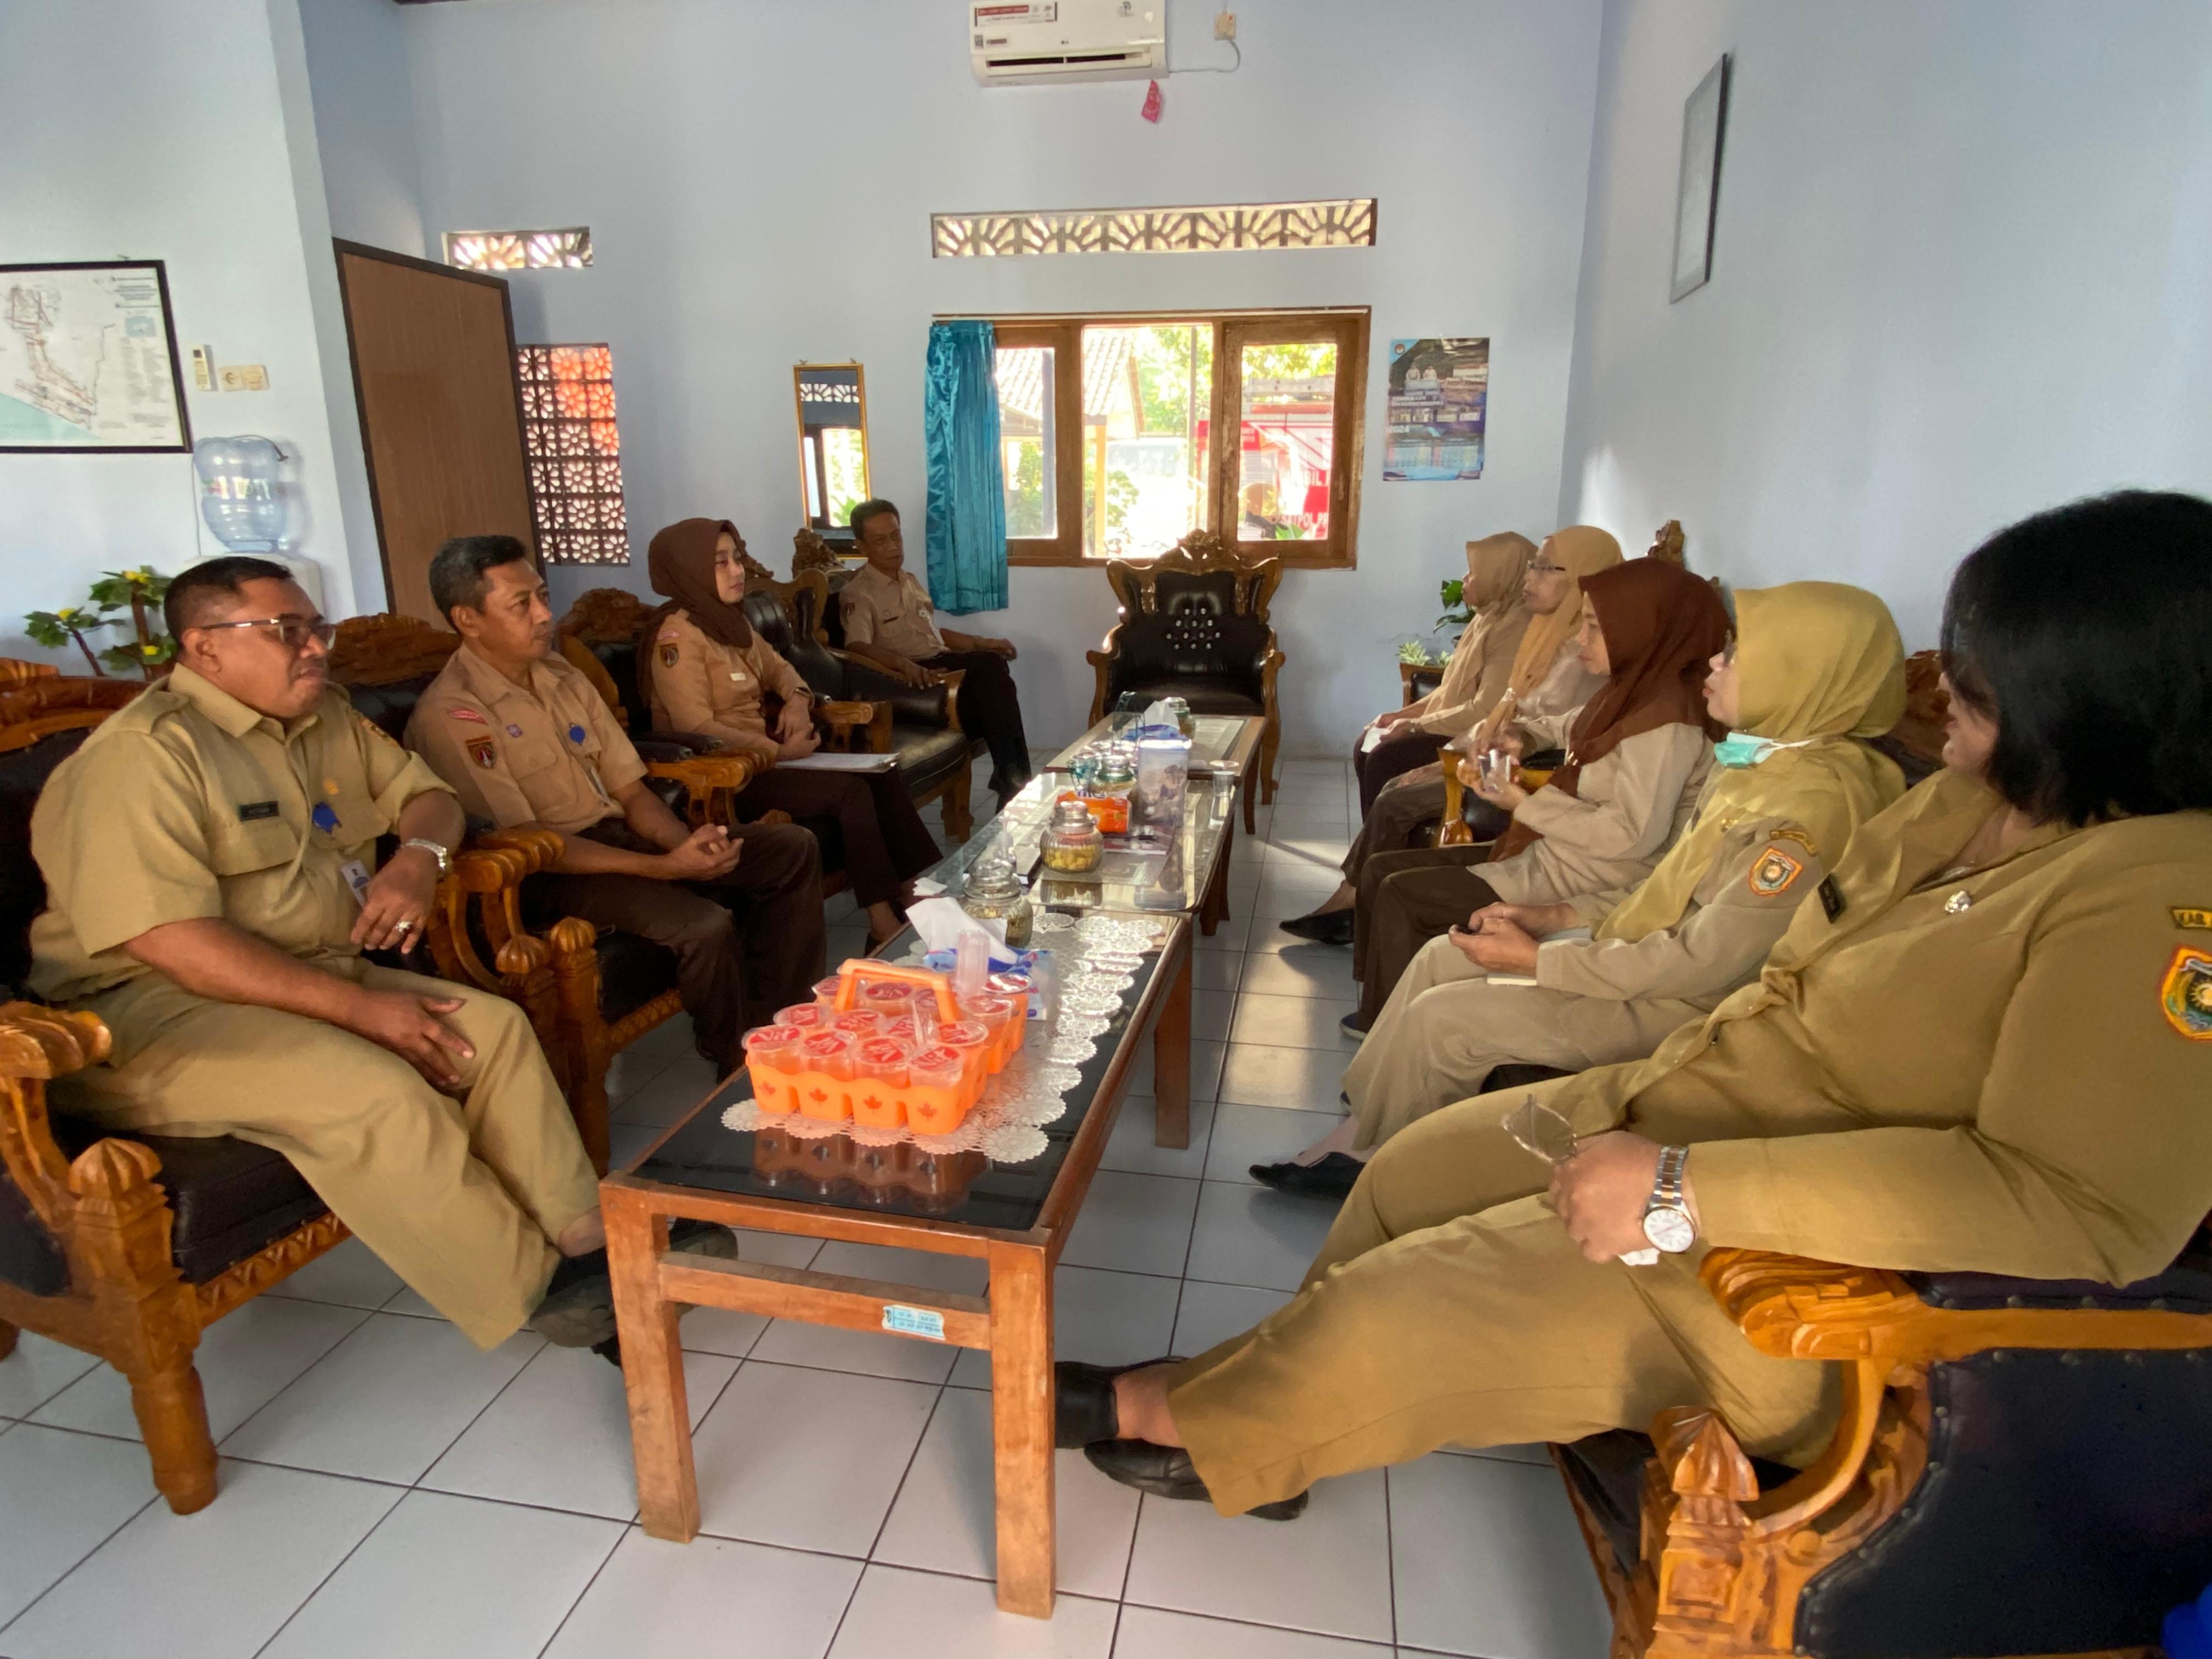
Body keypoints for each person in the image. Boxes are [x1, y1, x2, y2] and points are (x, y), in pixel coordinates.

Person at [1054, 489, 2212, 1521]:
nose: (1948, 689)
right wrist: (1609, 1034)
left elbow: (2083, 1210)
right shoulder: (1966, 806)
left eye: (1983, 671)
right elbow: (1743, 951)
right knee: (1411, 1174)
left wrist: (1679, 1189)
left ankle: (1207, 1414)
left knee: (1416, 1290)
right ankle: (1271, 1410)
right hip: (1694, 1097)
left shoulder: (2161, 903)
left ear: (2098, 692)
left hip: (1792, 1254)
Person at [24, 556, 728, 1358]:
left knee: (490, 1029)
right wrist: (362, 1010)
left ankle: (587, 1241)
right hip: (152, 1011)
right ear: (204, 647)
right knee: (374, 1090)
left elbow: (429, 798)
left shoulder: (322, 715)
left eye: (315, 628)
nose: (314, 648)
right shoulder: (142, 756)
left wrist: (416, 857)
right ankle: (545, 1292)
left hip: (315, 968)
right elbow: (173, 944)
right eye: (284, 632)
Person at [1256, 580, 1908, 1197]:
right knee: (1443, 953)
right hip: (1642, 944)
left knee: (1445, 1019)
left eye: (1737, 655)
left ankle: (1379, 1165)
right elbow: (1670, 883)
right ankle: (1365, 1131)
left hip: (1689, 1007)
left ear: (1800, 677)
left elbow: (1702, 962)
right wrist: (1556, 914)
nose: (1715, 663)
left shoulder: (1807, 811)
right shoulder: (1765, 763)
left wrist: (1541, 958)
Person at [406, 536, 825, 1074]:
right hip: (548, 872)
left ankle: (782, 1023)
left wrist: (686, 845)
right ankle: (736, 1066)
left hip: (617, 839)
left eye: (541, 595)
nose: (543, 615)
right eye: (521, 605)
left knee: (790, 849)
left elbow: (630, 792)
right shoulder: (454, 713)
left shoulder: (563, 677)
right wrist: (661, 868)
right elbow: (535, 844)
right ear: (467, 619)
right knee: (704, 926)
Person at [1348, 556, 1731, 1030]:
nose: (1580, 639)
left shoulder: (1667, 725)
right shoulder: (1635, 693)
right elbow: (1568, 724)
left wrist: (1524, 803)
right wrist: (1524, 738)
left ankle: (1389, 1024)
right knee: (1383, 868)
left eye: (1594, 626)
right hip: (1559, 854)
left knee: (1404, 894)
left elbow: (1630, 838)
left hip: (1593, 878)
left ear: (1644, 628)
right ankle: (1381, 1010)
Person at [1282, 527, 1620, 944]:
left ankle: (1356, 900)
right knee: (1386, 764)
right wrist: (1409, 719)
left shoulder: (1583, 654)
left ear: (1586, 576)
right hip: (1484, 752)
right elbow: (1494, 708)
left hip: (1510, 774)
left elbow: (1525, 723)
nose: (1531, 577)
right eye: (1532, 567)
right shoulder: (1543, 631)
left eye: (1545, 568)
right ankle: (1360, 897)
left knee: (1392, 781)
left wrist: (1435, 744)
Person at [638, 517, 939, 948]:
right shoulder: (679, 637)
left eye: (737, 559)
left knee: (881, 771)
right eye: (720, 563)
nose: (737, 571)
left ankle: (911, 891)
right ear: (688, 570)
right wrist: (777, 753)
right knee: (849, 793)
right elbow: (695, 726)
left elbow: (784, 671)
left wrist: (799, 702)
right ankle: (880, 923)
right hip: (730, 773)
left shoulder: (730, 622)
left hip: (771, 755)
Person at [838, 499, 1033, 806]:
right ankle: (1014, 782)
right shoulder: (858, 592)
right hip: (911, 684)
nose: (892, 546)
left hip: (941, 667)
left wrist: (983, 641)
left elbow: (935, 635)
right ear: (861, 544)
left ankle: (1012, 782)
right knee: (993, 680)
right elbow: (856, 647)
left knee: (994, 674)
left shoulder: (909, 581)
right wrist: (902, 666)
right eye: (881, 540)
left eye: (896, 536)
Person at [1351, 531, 1535, 812]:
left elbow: (1486, 710)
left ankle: (1386, 845)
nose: (1465, 579)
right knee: (1367, 743)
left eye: (1474, 572)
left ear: (1501, 576)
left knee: (1385, 757)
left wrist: (1414, 725)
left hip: (1472, 736)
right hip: (1454, 723)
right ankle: (1372, 838)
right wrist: (1400, 716)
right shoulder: (1488, 615)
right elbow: (1450, 689)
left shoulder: (1515, 626)